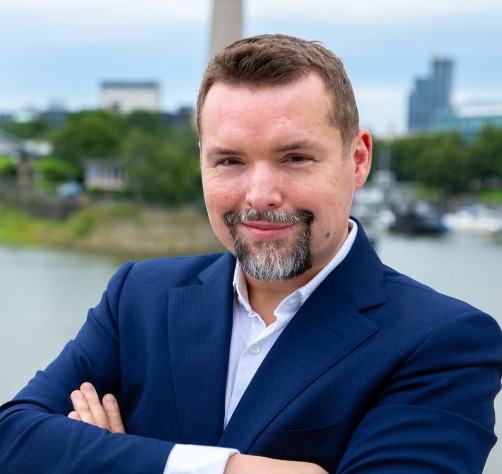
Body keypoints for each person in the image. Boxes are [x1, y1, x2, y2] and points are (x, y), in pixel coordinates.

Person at [0, 34, 501, 474]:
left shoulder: (444, 343)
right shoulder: (137, 297)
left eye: (295, 158)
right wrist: (228, 468)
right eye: (230, 161)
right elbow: (13, 439)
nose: (260, 195)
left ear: (358, 160)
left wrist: (114, 457)